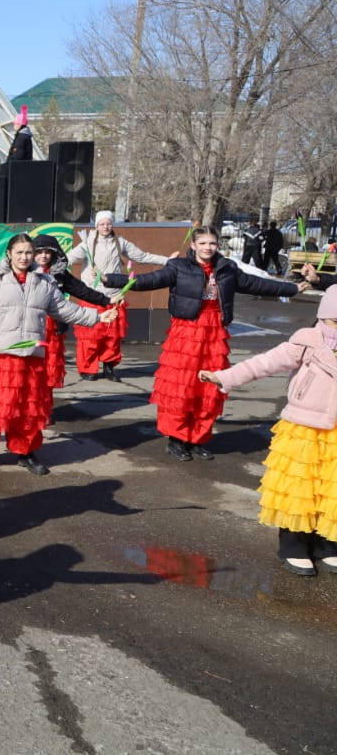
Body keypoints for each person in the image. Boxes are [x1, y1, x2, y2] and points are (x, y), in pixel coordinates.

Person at [102, 226, 304, 461]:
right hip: (186, 333)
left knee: (209, 386)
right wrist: (111, 279)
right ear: (193, 245)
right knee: (181, 388)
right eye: (203, 243)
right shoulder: (178, 267)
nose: (208, 248)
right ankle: (177, 439)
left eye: (212, 243)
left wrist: (291, 288)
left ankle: (197, 438)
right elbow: (149, 280)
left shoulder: (228, 268)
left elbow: (257, 284)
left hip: (214, 334)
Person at [0, 234, 114, 476]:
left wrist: (97, 317)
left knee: (28, 409)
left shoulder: (44, 282)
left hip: (30, 357)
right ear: (9, 254)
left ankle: (25, 452)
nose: (24, 257)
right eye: (19, 252)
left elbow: (65, 310)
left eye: (29, 252)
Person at [198, 287, 337, 577]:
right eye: (335, 321)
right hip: (304, 428)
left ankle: (328, 544)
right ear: (324, 317)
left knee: (332, 491)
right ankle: (294, 547)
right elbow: (264, 363)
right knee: (298, 490)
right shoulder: (306, 342)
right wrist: (224, 377)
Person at [64, 210, 173, 381]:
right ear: (96, 226)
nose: (105, 227)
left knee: (112, 337)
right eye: (101, 224)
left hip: (115, 297)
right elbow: (67, 259)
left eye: (108, 223)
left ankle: (109, 367)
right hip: (92, 297)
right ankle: (88, 369)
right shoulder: (87, 243)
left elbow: (142, 256)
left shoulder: (120, 242)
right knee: (90, 337)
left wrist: (167, 261)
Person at [30, 235, 113, 394]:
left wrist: (106, 300)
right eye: (39, 252)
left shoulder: (59, 274)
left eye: (48, 252)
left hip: (53, 329)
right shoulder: (26, 272)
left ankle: (43, 409)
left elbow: (81, 290)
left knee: (48, 369)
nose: (43, 256)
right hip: (30, 327)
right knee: (30, 369)